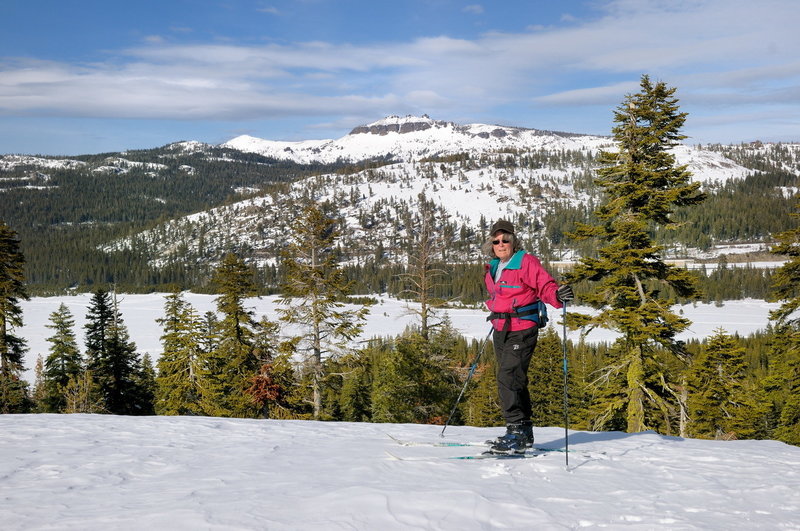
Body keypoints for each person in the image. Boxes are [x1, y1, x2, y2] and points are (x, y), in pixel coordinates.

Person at [482, 219, 574, 454]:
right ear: (491, 244)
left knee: (508, 375)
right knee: (515, 379)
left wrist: (558, 295)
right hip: (501, 327)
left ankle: (515, 432)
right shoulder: (494, 266)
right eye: (496, 241)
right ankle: (524, 431)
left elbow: (545, 285)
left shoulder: (526, 261)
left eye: (505, 239)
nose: (501, 244)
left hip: (522, 327)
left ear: (514, 241)